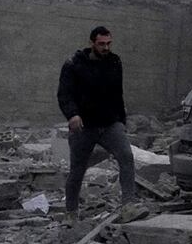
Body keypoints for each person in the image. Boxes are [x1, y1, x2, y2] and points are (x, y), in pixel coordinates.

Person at [57, 26, 136, 216]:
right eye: (102, 44)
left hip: (110, 124)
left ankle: (128, 206)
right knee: (77, 169)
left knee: (126, 157)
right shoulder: (74, 64)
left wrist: (122, 120)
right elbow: (64, 94)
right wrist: (72, 115)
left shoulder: (115, 62)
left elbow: (118, 93)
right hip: (84, 126)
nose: (106, 48)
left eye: (109, 43)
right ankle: (71, 213)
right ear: (92, 43)